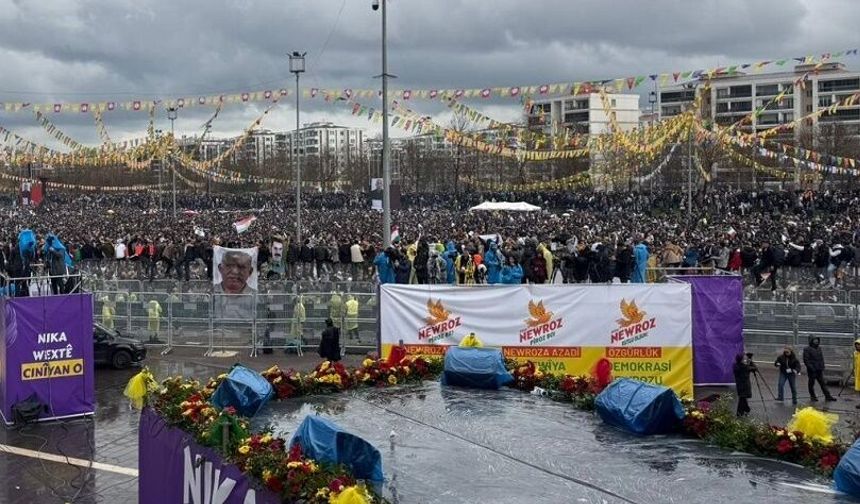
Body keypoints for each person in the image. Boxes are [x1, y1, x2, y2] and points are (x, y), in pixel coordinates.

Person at [803, 335, 836, 402]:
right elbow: (806, 360)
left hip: (819, 369)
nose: (816, 341)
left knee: (823, 383)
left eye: (817, 340)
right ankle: (813, 396)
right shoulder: (807, 349)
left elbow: (821, 358)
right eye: (814, 340)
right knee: (811, 384)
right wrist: (811, 368)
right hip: (812, 370)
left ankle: (828, 396)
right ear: (811, 341)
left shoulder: (819, 348)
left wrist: (822, 366)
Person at [733, 353, 757, 417]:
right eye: (743, 359)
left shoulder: (735, 365)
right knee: (742, 399)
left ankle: (744, 411)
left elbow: (748, 367)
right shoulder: (745, 367)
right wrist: (750, 360)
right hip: (745, 385)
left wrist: (748, 362)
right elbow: (755, 368)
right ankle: (741, 412)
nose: (745, 360)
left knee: (742, 398)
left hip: (739, 385)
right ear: (741, 360)